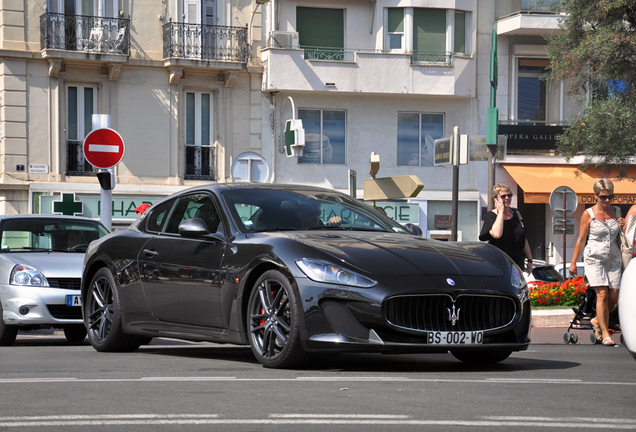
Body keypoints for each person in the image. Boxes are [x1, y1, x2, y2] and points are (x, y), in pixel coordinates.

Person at [569, 178, 625, 346]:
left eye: (610, 197)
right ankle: (605, 333)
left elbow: (622, 237)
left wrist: (622, 225)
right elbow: (581, 240)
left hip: (613, 258)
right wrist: (573, 263)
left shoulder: (617, 211)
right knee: (602, 295)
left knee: (614, 296)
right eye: (603, 197)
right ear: (595, 195)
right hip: (594, 259)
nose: (607, 200)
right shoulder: (588, 214)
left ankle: (595, 320)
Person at [479, 184, 533, 272]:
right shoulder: (491, 216)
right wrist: (500, 212)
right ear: (495, 199)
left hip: (517, 264)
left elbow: (523, 238)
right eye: (503, 196)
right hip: (499, 264)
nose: (507, 198)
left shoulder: (516, 213)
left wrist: (530, 260)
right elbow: (497, 234)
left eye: (509, 195)